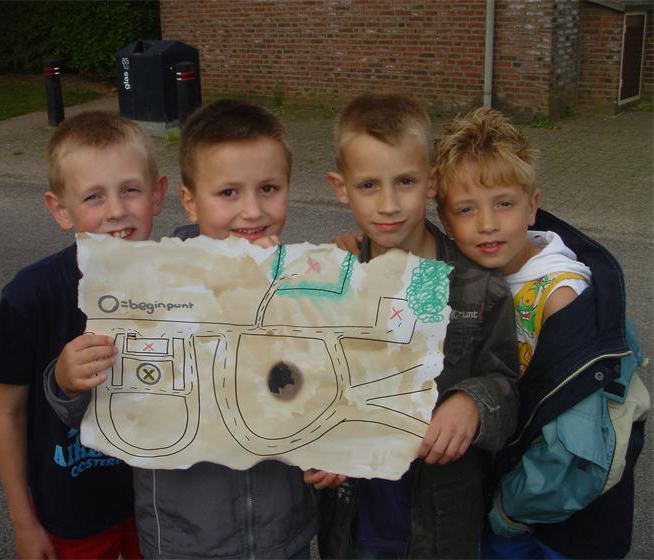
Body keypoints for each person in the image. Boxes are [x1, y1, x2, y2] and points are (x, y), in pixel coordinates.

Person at [44, 99, 318, 559]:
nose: (252, 210)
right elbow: (98, 406)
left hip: (282, 532)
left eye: (269, 188)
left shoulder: (302, 281)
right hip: (186, 539)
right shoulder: (146, 286)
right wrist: (65, 381)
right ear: (190, 201)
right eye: (228, 192)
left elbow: (320, 384)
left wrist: (327, 447)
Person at [435, 107, 650, 559]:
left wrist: (504, 513)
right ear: (446, 220)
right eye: (467, 209)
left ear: (533, 206)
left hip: (559, 518)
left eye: (504, 204)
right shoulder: (476, 274)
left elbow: (573, 452)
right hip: (518, 484)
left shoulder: (561, 299)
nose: (488, 223)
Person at [313, 93, 520, 559]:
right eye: (369, 185)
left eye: (405, 181)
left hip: (442, 526)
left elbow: (507, 384)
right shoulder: (332, 281)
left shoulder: (476, 287)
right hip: (355, 524)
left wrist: (474, 401)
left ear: (433, 181)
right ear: (340, 188)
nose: (389, 204)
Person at [0, 110, 168, 559]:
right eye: (93, 196)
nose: (116, 210)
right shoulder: (31, 295)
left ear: (157, 194)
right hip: (73, 505)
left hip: (161, 504)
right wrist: (23, 522)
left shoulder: (183, 284)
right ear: (61, 209)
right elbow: (8, 414)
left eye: (131, 190)